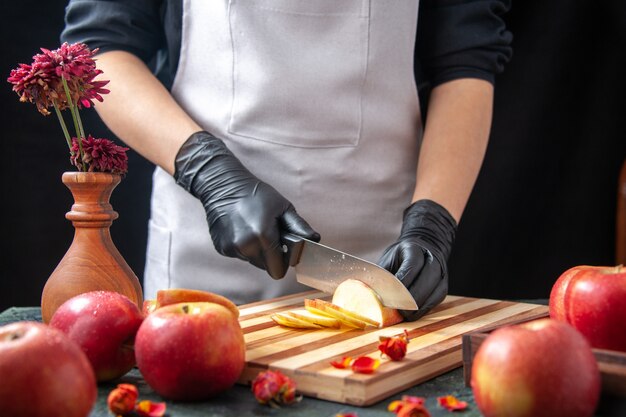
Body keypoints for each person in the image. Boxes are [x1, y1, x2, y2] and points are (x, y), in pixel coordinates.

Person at [61, 0, 512, 320]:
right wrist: (211, 174)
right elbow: (101, 48)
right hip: (204, 254)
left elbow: (466, 64)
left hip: (384, 257)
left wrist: (433, 223)